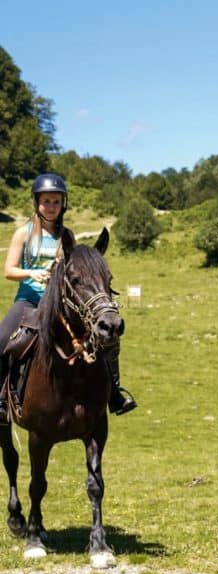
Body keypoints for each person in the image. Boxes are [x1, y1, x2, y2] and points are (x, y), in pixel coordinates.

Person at [0, 173, 137, 423]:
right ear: (36, 202)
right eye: (46, 201)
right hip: (29, 301)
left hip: (62, 304)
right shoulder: (24, 233)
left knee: (105, 339)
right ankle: (1, 401)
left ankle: (115, 394)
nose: (51, 206)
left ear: (63, 203)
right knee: (2, 339)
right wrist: (32, 272)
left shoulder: (67, 236)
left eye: (56, 201)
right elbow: (8, 271)